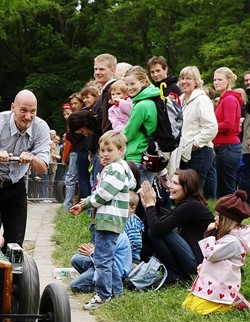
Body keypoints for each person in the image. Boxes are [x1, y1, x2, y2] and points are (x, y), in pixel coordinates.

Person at [0, 89, 50, 250]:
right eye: (23, 110)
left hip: (16, 186)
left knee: (15, 241)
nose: (28, 116)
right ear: (13, 108)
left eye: (33, 111)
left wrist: (32, 158)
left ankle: (12, 274)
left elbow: (43, 167)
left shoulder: (41, 127)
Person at [69, 131, 136, 309]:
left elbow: (103, 194)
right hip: (110, 220)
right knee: (107, 258)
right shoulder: (117, 168)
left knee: (102, 260)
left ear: (121, 150)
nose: (105, 154)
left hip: (108, 219)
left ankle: (103, 295)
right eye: (102, 150)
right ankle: (117, 292)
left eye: (110, 150)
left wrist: (84, 204)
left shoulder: (116, 169)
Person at [138, 169, 215, 284]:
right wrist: (148, 207)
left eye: (175, 183)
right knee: (156, 231)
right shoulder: (188, 204)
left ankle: (176, 275)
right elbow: (157, 224)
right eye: (171, 182)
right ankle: (175, 275)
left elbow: (157, 229)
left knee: (158, 232)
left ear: (187, 187)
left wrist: (150, 205)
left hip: (199, 265)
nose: (169, 186)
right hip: (197, 262)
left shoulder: (190, 206)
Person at [182, 190, 250, 315]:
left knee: (199, 310)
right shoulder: (227, 236)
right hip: (213, 281)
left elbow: (211, 254)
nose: (215, 218)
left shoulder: (233, 242)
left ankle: (234, 301)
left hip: (221, 283)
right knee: (188, 305)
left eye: (218, 215)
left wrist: (208, 232)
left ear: (227, 219)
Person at [176, 66, 218, 188]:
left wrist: (194, 145)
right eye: (182, 78)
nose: (184, 81)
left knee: (194, 191)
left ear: (196, 81)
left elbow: (211, 127)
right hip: (183, 153)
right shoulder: (181, 100)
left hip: (199, 152)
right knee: (184, 190)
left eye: (188, 78)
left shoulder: (201, 100)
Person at [122, 66, 161, 182]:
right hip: (148, 154)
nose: (129, 88)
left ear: (143, 82)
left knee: (137, 196)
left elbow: (128, 134)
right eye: (127, 84)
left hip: (137, 156)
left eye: (132, 84)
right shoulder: (152, 99)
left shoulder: (141, 105)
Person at [212, 67, 243, 197]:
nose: (216, 82)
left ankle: (231, 216)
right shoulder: (223, 99)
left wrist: (210, 126)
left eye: (220, 79)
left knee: (227, 190)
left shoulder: (229, 99)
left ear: (229, 81)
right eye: (214, 79)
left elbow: (228, 125)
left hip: (228, 148)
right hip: (224, 148)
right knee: (224, 188)